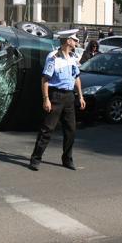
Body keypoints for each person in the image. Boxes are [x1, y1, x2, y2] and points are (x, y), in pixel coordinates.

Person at [29, 33, 86, 171]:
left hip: (69, 97)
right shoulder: (53, 57)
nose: (77, 42)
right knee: (47, 129)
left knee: (71, 130)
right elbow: (45, 80)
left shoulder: (73, 57)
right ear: (68, 41)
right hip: (56, 96)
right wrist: (46, 99)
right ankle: (35, 159)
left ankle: (67, 159)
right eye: (75, 40)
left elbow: (76, 77)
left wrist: (80, 96)